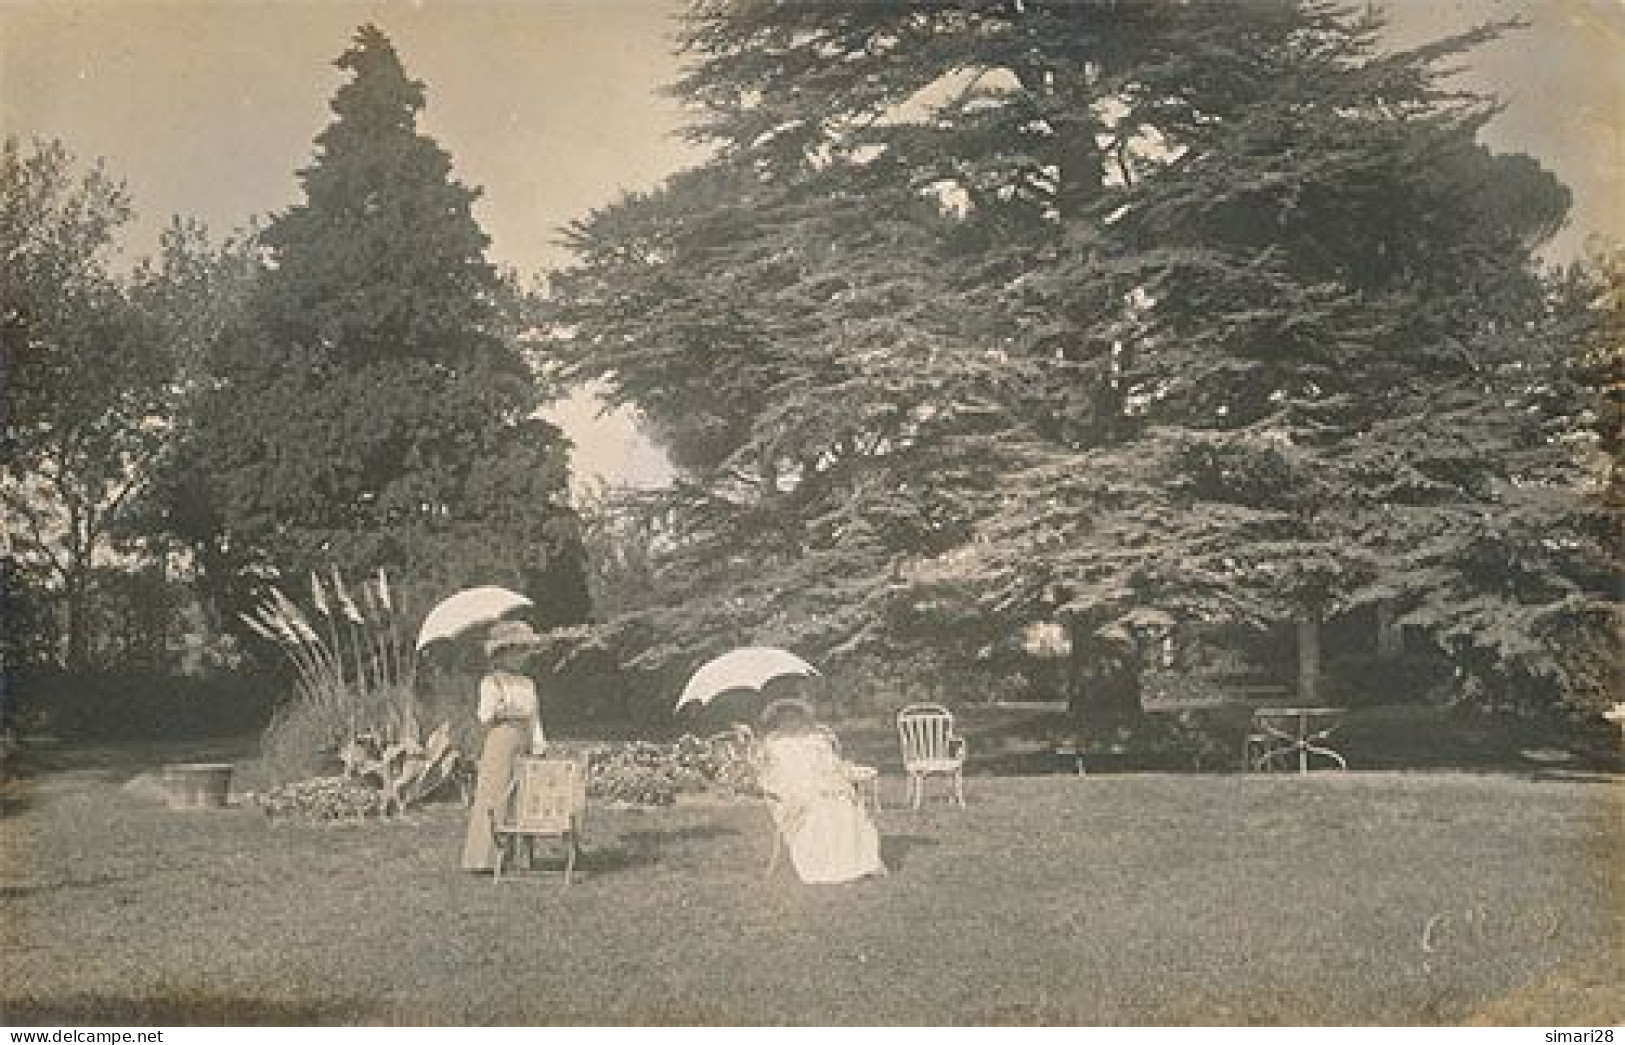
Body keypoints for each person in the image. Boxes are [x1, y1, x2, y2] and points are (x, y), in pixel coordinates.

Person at [756, 700, 885, 885]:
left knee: (843, 802)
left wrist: (837, 776)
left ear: (801, 717)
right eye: (785, 717)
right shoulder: (773, 744)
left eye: (794, 716)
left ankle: (853, 862)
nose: (790, 720)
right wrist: (784, 790)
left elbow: (831, 765)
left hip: (822, 784)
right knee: (820, 809)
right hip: (793, 790)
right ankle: (827, 865)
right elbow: (770, 775)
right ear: (778, 720)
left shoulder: (815, 738)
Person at [461, 620, 545, 872]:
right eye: (514, 651)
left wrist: (539, 743)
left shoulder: (527, 684)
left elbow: (534, 716)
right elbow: (484, 715)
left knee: (523, 795)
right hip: (500, 741)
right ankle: (484, 858)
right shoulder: (492, 683)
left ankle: (519, 858)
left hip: (524, 741)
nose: (520, 657)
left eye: (523, 651)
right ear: (501, 654)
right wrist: (505, 708)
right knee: (495, 794)